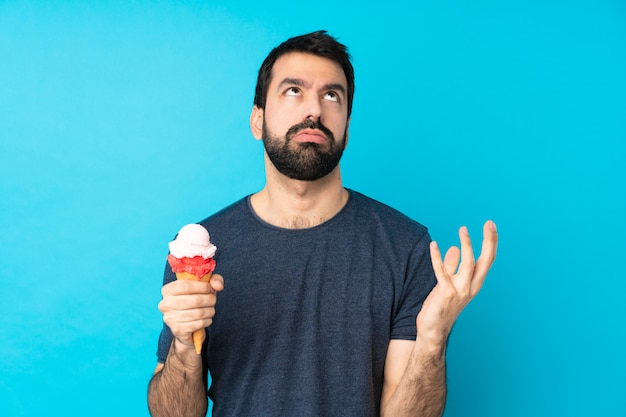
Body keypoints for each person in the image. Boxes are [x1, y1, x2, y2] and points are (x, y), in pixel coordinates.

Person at [147, 30, 498, 417]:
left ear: (347, 128)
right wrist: (183, 345)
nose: (313, 109)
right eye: (293, 90)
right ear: (257, 119)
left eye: (332, 95)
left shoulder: (406, 247)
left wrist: (432, 343)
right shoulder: (203, 250)